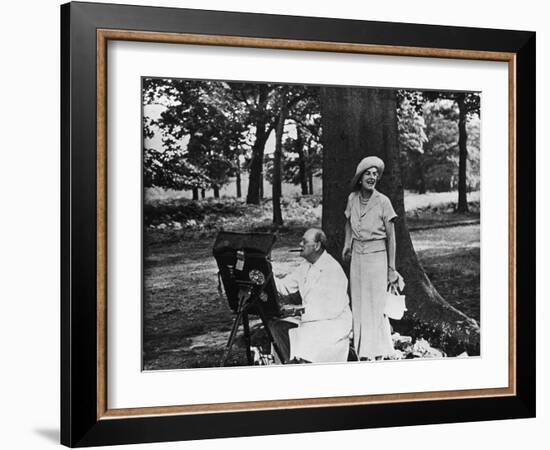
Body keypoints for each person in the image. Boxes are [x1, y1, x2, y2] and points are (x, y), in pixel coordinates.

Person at [342, 156, 402, 361]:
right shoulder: (352, 198)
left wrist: (391, 268)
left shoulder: (383, 201)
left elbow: (392, 237)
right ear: (360, 178)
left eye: (375, 174)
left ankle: (377, 350)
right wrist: (347, 244)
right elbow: (348, 222)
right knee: (358, 301)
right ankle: (362, 351)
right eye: (368, 173)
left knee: (375, 303)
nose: (372, 177)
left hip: (377, 257)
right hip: (357, 257)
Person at [270, 228, 352, 363]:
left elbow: (332, 310)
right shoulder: (305, 266)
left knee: (307, 337)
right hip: (312, 320)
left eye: (304, 241)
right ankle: (288, 365)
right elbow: (284, 287)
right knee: (276, 326)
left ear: (317, 246)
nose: (300, 244)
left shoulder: (332, 269)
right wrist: (268, 269)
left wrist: (300, 310)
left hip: (333, 323)